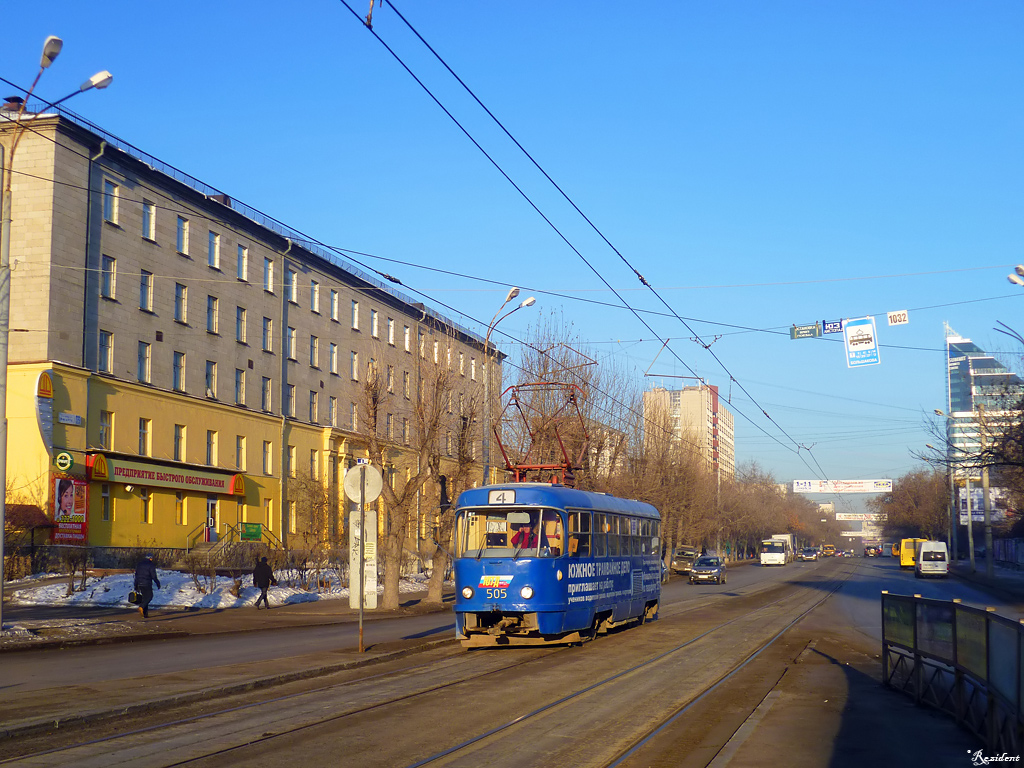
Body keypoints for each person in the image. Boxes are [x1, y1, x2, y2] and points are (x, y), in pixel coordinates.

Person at [133, 553, 160, 619]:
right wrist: (157, 582)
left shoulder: (139, 564)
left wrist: (136, 585)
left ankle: (145, 614)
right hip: (147, 583)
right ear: (150, 558)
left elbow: (136, 575)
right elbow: (153, 575)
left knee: (145, 598)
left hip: (140, 583)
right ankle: (141, 607)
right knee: (150, 596)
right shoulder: (151, 565)